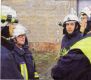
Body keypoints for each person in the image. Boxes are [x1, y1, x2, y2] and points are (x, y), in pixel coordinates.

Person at [51, 14, 91, 80]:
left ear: (77, 26)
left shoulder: (81, 38)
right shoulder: (64, 38)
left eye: (72, 24)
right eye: (67, 24)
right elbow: (63, 52)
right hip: (63, 70)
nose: (69, 27)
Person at [1, 5, 23, 79]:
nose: (14, 27)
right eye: (11, 23)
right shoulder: (4, 55)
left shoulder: (7, 48)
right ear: (3, 24)